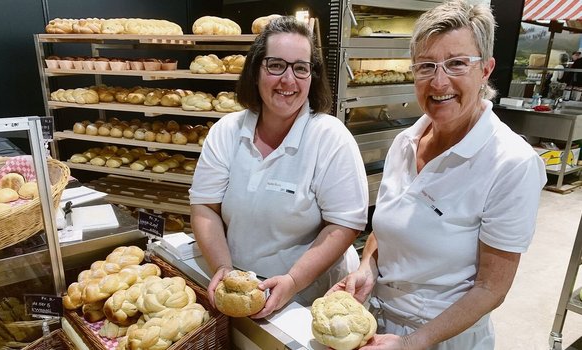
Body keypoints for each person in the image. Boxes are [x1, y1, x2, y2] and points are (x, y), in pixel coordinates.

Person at [328, 0, 547, 349]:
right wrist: (367, 268)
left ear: (486, 69)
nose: (439, 81)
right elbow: (387, 228)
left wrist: (412, 342)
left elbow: (491, 289)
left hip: (444, 338)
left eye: (457, 63)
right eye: (426, 65)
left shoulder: (511, 163)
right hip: (378, 323)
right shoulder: (405, 142)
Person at [189, 16, 369, 319]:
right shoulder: (227, 131)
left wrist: (294, 281)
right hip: (239, 285)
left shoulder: (330, 137)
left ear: (312, 76)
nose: (289, 80)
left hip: (308, 298)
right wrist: (222, 267)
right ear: (256, 70)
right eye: (276, 65)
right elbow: (204, 206)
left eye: (301, 68)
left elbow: (344, 225)